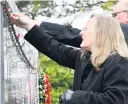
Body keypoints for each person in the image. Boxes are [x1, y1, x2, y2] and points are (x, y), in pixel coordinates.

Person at [10, 13, 128, 104]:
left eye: (85, 29)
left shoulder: (119, 61)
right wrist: (28, 25)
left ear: (99, 34)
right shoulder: (84, 57)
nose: (81, 33)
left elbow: (116, 100)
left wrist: (75, 97)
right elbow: (55, 49)